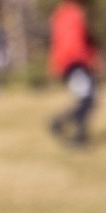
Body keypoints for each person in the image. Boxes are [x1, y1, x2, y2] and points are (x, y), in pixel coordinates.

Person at [49, 0, 99, 148]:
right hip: (76, 63)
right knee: (87, 100)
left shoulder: (61, 13)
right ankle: (68, 128)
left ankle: (75, 132)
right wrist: (88, 60)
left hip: (68, 63)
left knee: (86, 100)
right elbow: (76, 42)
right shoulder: (75, 14)